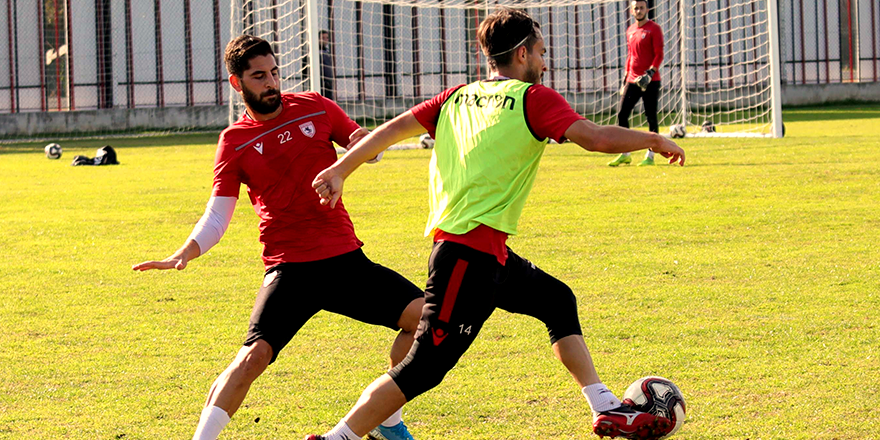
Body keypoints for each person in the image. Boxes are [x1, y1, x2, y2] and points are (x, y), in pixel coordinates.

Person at [307, 8, 684, 440]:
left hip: (485, 252)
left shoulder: (454, 96)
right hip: (466, 258)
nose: (545, 62)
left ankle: (606, 407)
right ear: (522, 54)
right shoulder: (533, 99)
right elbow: (595, 137)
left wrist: (341, 169)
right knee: (423, 367)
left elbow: (390, 131)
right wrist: (653, 138)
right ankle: (338, 438)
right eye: (542, 53)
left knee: (556, 300)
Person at [132, 35, 423, 440]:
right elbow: (217, 216)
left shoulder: (316, 106)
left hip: (345, 262)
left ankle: (386, 422)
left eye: (273, 73)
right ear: (238, 84)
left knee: (428, 323)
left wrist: (365, 146)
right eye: (258, 76)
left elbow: (363, 147)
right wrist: (186, 251)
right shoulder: (234, 142)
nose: (271, 83)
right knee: (253, 358)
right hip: (290, 271)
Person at [608, 0, 665, 167]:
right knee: (622, 114)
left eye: (641, 8)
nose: (639, 11)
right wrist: (625, 79)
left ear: (647, 9)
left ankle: (650, 156)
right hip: (632, 80)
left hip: (650, 81)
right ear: (632, 11)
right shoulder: (630, 30)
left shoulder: (654, 29)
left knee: (651, 117)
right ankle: (625, 153)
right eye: (636, 8)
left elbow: (659, 54)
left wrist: (651, 72)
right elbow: (630, 56)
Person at [319, 30, 335, 101]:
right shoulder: (314, 53)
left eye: (327, 38)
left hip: (328, 85)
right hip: (320, 84)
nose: (325, 40)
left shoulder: (327, 52)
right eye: (323, 38)